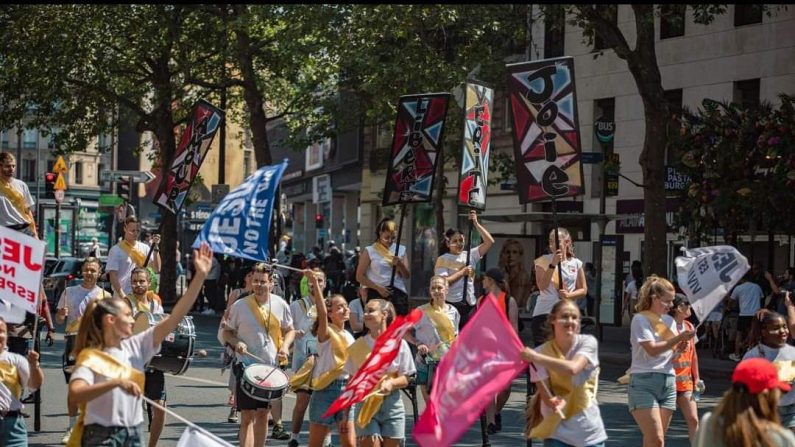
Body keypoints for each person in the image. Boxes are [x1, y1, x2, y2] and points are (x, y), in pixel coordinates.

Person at [66, 243, 211, 447]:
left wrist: (199, 278)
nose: (133, 321)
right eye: (127, 316)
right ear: (111, 321)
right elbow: (76, 392)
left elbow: (174, 319)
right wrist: (116, 383)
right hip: (101, 435)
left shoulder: (136, 345)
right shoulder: (92, 356)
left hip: (133, 434)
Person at [222, 262, 295, 446]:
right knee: (247, 416)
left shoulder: (281, 305)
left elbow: (290, 330)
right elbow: (226, 332)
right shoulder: (240, 305)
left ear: (271, 283)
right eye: (255, 281)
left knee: (263, 414)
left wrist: (285, 347)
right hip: (245, 366)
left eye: (263, 281)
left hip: (268, 368)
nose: (259, 285)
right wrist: (236, 342)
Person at [521, 300, 607, 447]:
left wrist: (537, 358)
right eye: (565, 316)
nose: (570, 321)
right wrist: (552, 401)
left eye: (575, 317)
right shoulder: (540, 352)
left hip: (589, 433)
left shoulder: (588, 343)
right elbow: (545, 393)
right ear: (553, 320)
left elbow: (573, 368)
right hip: (557, 435)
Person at [628, 276, 695, 447]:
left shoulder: (669, 321)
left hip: (668, 382)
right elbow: (652, 349)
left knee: (655, 441)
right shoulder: (640, 319)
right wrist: (678, 338)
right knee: (656, 438)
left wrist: (679, 349)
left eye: (672, 301)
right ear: (654, 298)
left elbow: (669, 355)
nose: (671, 306)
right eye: (667, 301)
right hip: (644, 382)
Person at [56, 257, 112, 444]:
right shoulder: (69, 292)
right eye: (87, 269)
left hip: (96, 346)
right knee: (75, 387)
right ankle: (72, 427)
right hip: (74, 342)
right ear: (82, 271)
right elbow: (59, 321)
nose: (89, 273)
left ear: (99, 273)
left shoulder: (105, 296)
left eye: (93, 270)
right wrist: (61, 315)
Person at [349, 298, 415, 447]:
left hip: (392, 404)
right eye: (365, 311)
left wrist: (392, 383)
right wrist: (346, 414)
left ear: (384, 314)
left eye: (370, 311)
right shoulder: (358, 346)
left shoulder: (399, 343)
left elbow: (407, 377)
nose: (365, 314)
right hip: (365, 404)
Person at [693, 357, 795, 446]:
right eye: (777, 391)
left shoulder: (709, 425)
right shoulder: (783, 439)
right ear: (766, 393)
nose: (779, 396)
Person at [305, 272, 356, 447]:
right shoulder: (326, 332)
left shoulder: (350, 336)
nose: (345, 309)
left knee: (349, 443)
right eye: (339, 307)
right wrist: (316, 285)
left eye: (346, 306)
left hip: (345, 391)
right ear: (330, 313)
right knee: (316, 444)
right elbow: (320, 309)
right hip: (324, 391)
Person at [125, 268, 167, 447]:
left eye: (141, 281)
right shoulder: (126, 303)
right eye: (134, 281)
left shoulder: (155, 302)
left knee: (161, 409)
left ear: (149, 283)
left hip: (153, 361)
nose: (138, 284)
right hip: (132, 363)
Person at [434, 210, 494, 327]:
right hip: (451, 304)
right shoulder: (443, 259)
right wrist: (462, 272)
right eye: (455, 241)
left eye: (461, 240)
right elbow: (444, 283)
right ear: (448, 244)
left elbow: (489, 242)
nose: (459, 244)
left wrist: (476, 223)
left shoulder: (470, 255)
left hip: (470, 303)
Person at [405, 276, 459, 403]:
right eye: (433, 288)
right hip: (426, 362)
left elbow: (455, 336)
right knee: (431, 404)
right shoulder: (420, 311)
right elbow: (403, 331)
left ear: (446, 290)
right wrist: (417, 343)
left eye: (439, 287)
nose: (436, 291)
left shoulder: (454, 312)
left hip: (448, 362)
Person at [287, 269, 326, 447]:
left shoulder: (328, 306)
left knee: (324, 403)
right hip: (303, 362)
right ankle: (294, 437)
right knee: (302, 402)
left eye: (319, 280)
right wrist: (294, 335)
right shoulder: (296, 306)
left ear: (325, 283)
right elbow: (286, 331)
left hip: (324, 363)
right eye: (311, 281)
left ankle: (326, 440)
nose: (314, 284)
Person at [478, 267, 518, 434]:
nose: (482, 282)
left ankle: (495, 412)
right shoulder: (481, 300)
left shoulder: (509, 300)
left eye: (484, 279)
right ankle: (491, 423)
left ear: (491, 281)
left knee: (505, 387)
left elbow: (513, 327)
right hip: (486, 350)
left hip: (504, 349)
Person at [532, 228, 587, 348]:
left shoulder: (576, 263)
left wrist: (569, 295)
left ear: (566, 242)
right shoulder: (542, 261)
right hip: (545, 313)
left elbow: (583, 289)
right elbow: (542, 286)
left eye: (556, 241)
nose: (552, 245)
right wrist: (553, 264)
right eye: (551, 241)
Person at [742, 309, 795, 431]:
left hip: (791, 410)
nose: (783, 331)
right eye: (776, 328)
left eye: (784, 326)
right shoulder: (752, 356)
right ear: (764, 332)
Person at [218, 264, 254, 424]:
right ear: (245, 277)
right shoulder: (237, 293)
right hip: (236, 334)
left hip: (252, 337)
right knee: (236, 370)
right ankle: (234, 406)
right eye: (250, 274)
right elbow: (228, 313)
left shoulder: (262, 295)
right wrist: (225, 330)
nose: (253, 278)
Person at [0, 316, 44, 447]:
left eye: (2, 331)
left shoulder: (16, 360)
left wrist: (34, 365)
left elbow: (34, 385)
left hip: (13, 428)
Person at [356, 217, 410, 316]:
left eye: (393, 238)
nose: (390, 241)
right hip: (376, 293)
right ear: (380, 233)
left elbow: (406, 275)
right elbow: (359, 276)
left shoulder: (401, 249)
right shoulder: (370, 250)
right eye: (387, 237)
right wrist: (377, 288)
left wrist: (400, 265)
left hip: (397, 294)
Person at [669, 294, 701, 442]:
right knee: (661, 427)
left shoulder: (689, 327)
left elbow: (693, 355)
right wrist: (677, 351)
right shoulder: (667, 326)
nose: (689, 307)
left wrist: (697, 378)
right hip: (668, 383)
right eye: (685, 304)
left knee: (694, 419)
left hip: (685, 384)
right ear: (676, 308)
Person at [107, 216, 161, 300]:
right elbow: (113, 276)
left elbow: (156, 269)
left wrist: (156, 247)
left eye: (138, 231)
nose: (136, 233)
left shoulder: (145, 248)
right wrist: (123, 296)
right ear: (125, 228)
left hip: (141, 296)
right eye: (132, 231)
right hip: (122, 297)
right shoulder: (116, 250)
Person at [0, 152, 38, 238]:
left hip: (24, 230)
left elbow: (28, 211)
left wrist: (35, 233)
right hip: (5, 232)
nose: (11, 169)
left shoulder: (22, 185)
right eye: (8, 166)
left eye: (13, 166)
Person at [729, 274, 764, 362]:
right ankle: (752, 352)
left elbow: (731, 301)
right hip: (756, 314)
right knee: (754, 334)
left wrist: (729, 306)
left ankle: (737, 354)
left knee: (739, 334)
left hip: (744, 314)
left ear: (741, 279)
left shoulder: (738, 288)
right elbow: (762, 297)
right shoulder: (757, 287)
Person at [499, 238, 532, 311]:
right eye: (508, 252)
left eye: (514, 252)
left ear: (520, 256)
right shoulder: (505, 274)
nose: (510, 255)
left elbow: (516, 303)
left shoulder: (522, 276)